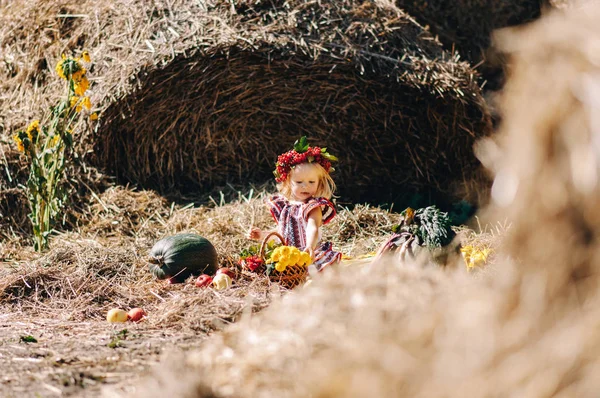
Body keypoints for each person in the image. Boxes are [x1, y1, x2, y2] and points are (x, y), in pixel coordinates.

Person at [247, 136, 342, 272]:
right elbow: (280, 236)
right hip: (288, 257)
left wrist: (310, 245)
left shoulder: (313, 206)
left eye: (311, 182)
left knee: (313, 273)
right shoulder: (284, 207)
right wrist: (262, 235)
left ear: (319, 182)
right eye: (299, 182)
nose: (305, 186)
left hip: (307, 253)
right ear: (288, 182)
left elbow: (312, 227)